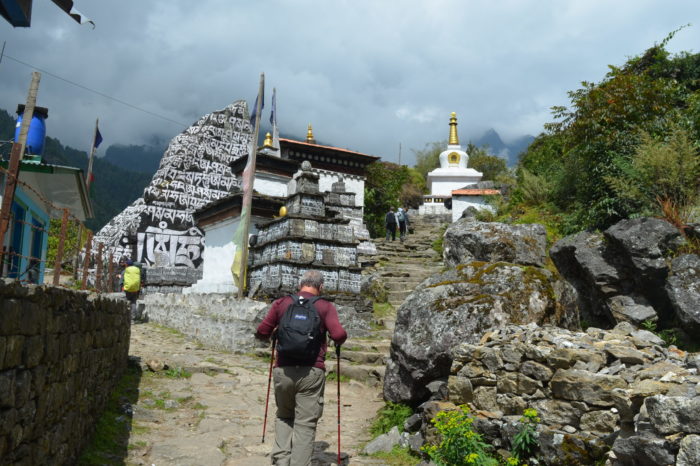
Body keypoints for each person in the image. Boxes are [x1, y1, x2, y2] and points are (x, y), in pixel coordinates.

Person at [255, 270, 347, 466]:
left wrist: (276, 333)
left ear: (300, 285)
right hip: (311, 371)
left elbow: (262, 331)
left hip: (283, 370)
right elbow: (338, 335)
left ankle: (281, 460)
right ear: (321, 287)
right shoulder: (325, 306)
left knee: (284, 415)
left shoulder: (282, 304)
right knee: (305, 424)